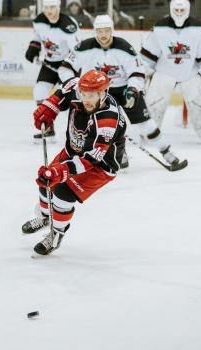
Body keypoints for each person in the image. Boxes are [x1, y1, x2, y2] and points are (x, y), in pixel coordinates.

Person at [58, 15, 187, 170]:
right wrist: (77, 87)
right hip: (98, 92)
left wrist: (133, 90)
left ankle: (166, 152)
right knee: (108, 127)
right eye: (100, 31)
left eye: (107, 31)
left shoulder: (124, 47)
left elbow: (137, 72)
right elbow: (65, 69)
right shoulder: (84, 47)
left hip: (124, 89)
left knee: (146, 124)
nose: (103, 35)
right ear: (95, 32)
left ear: (112, 30)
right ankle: (120, 154)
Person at [21, 70, 126, 256]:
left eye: (92, 95)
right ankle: (46, 217)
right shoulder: (78, 87)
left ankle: (56, 234)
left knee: (62, 194)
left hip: (100, 166)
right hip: (72, 150)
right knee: (45, 183)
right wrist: (50, 107)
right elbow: (64, 90)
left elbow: (90, 159)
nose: (86, 98)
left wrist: (61, 171)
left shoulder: (107, 120)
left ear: (104, 93)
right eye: (84, 94)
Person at [140, 0, 201, 144]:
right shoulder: (159, 28)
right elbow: (147, 57)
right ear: (171, 9)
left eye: (181, 11)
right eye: (176, 11)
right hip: (164, 72)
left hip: (189, 72)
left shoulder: (198, 28)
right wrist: (142, 75)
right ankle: (148, 131)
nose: (178, 14)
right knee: (154, 102)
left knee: (199, 102)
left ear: (188, 10)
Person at [25, 0, 80, 142]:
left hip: (67, 64)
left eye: (52, 7)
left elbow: (78, 50)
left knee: (72, 99)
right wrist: (34, 47)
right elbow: (37, 37)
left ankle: (78, 131)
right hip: (49, 63)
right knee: (39, 92)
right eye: (46, 8)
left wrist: (68, 65)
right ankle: (48, 127)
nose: (49, 11)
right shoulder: (39, 21)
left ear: (58, 8)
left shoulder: (68, 25)